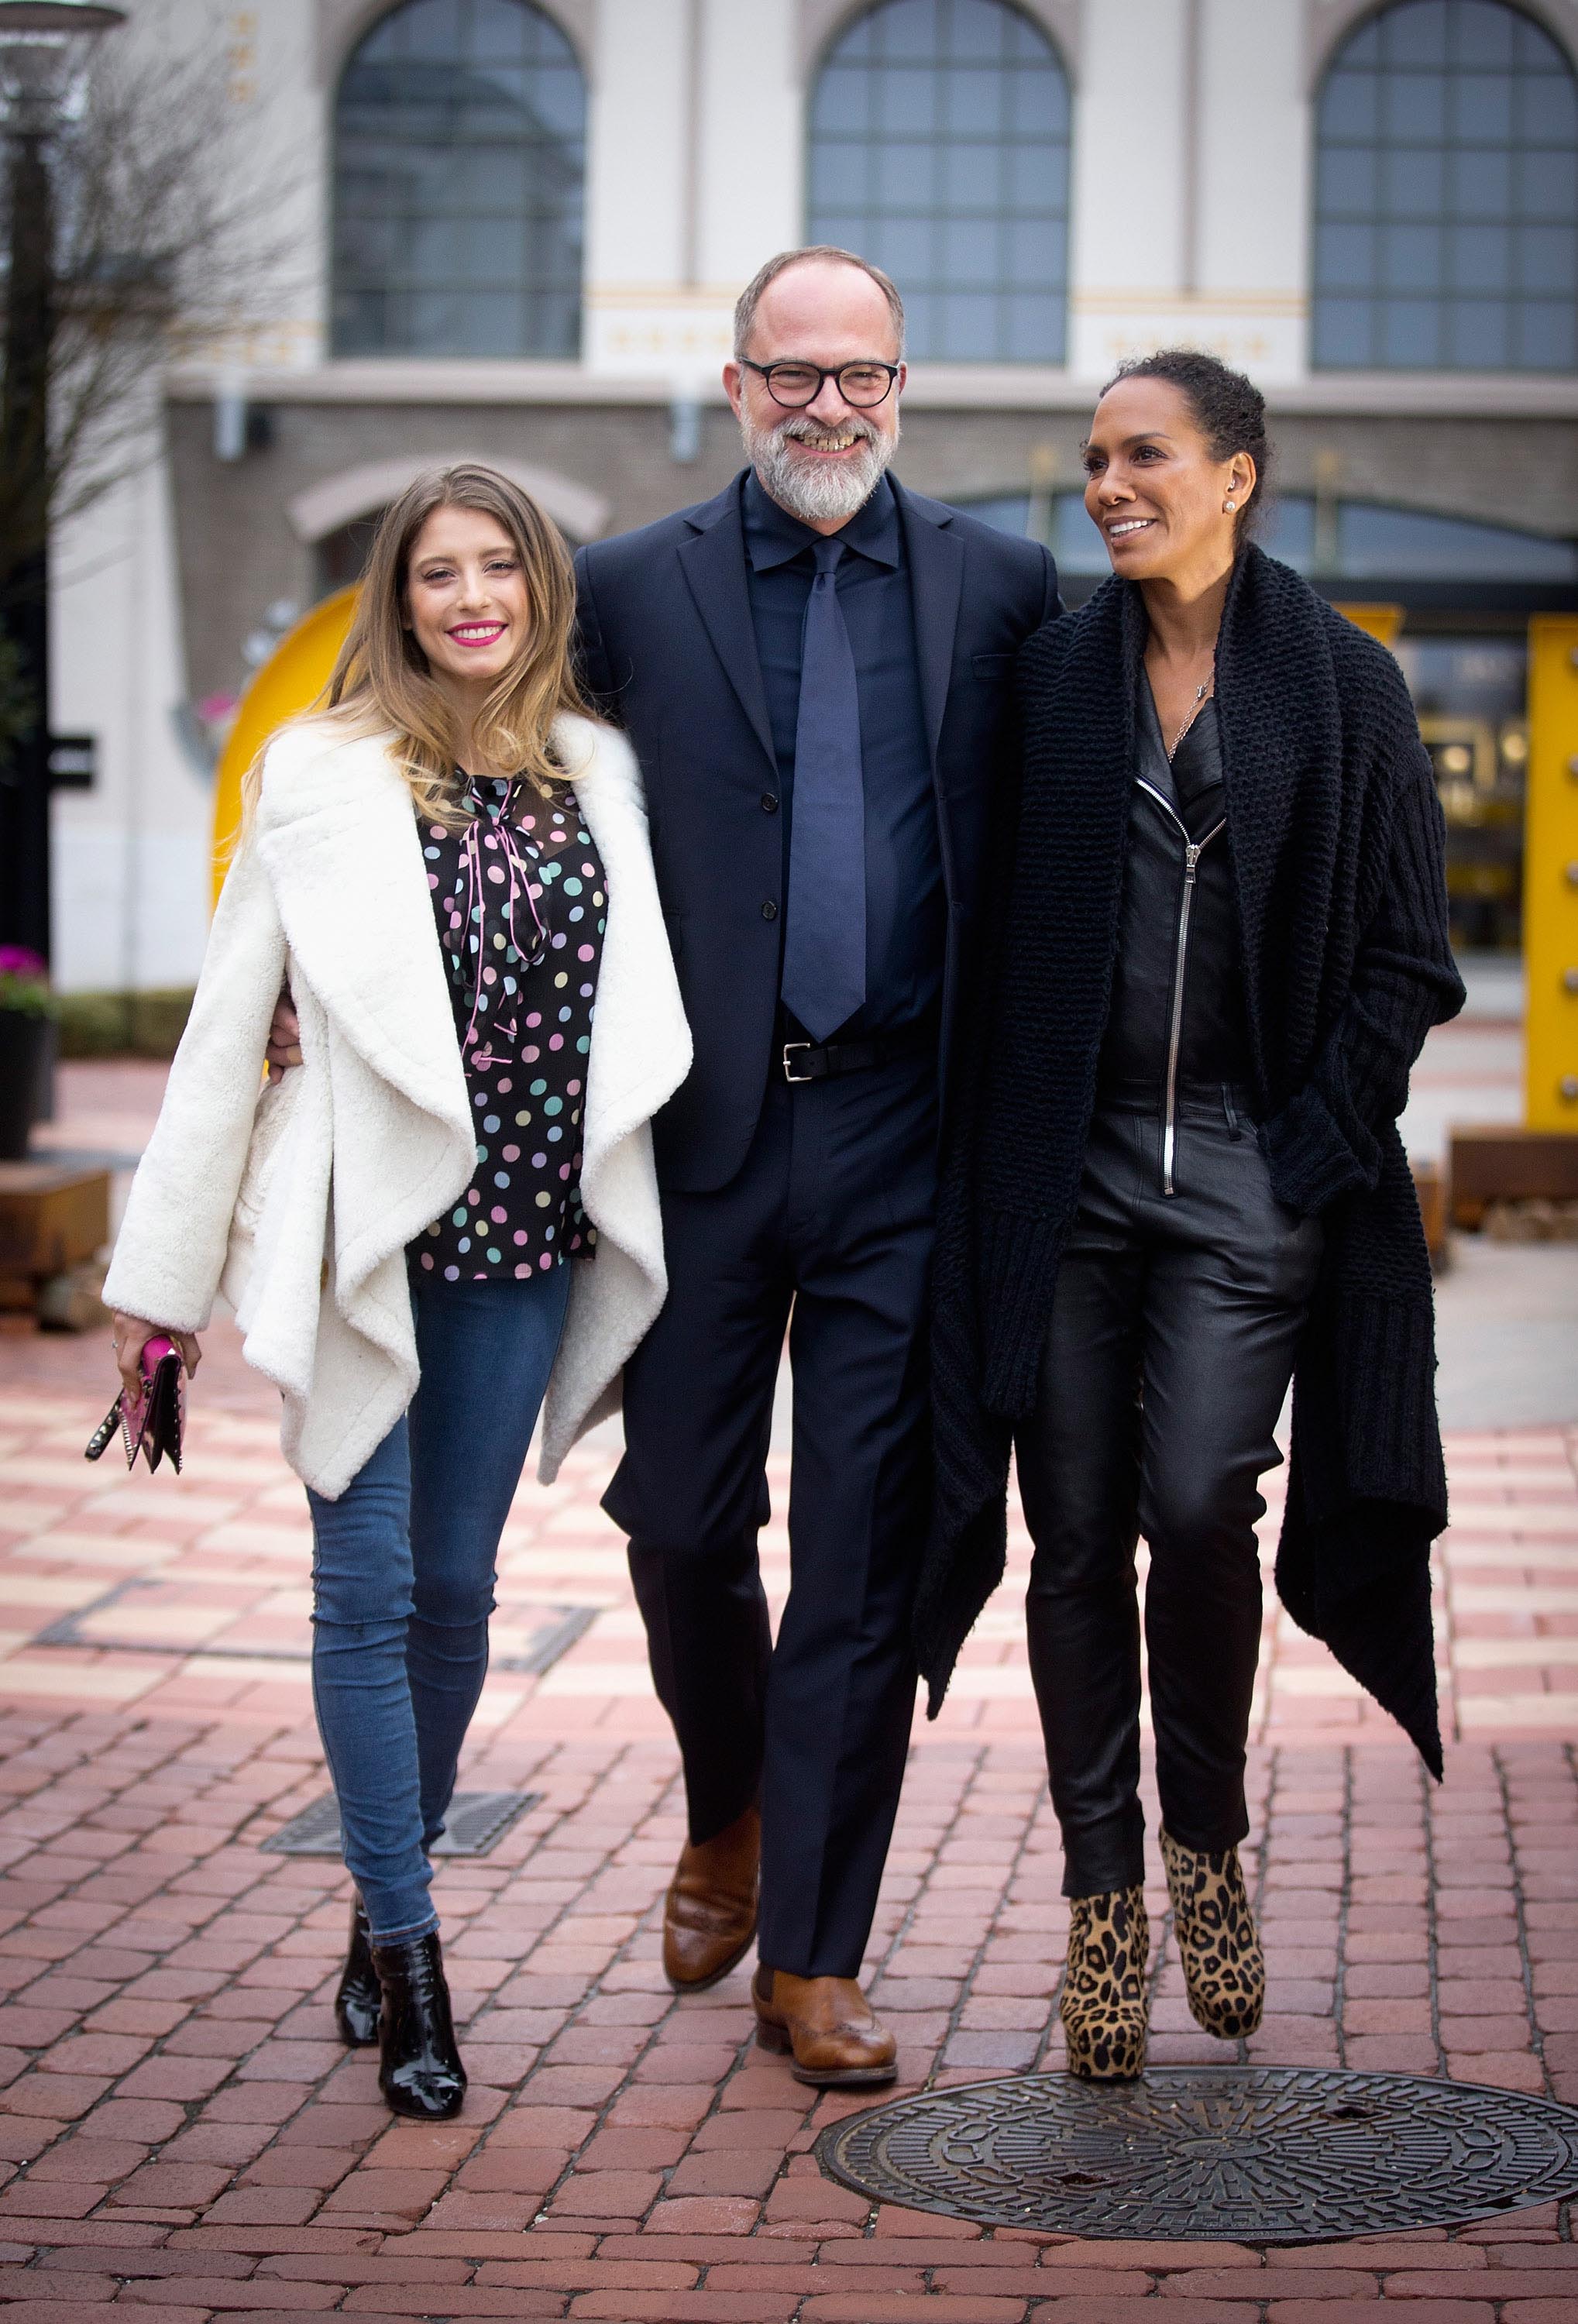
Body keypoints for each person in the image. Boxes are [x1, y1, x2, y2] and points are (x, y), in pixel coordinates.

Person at [102, 465, 689, 2119]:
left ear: (540, 590)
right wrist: (161, 1290)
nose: (471, 597)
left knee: (454, 1598)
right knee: (359, 1595)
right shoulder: (319, 775)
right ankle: (415, 1954)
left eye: (499, 567)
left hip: (520, 1242)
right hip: (363, 1241)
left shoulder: (600, 776)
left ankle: (377, 1904)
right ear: (400, 597)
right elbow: (233, 1023)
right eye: (438, 572)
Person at [918, 351, 1463, 2082]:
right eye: (1089, 459)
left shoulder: (1343, 685)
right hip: (1062, 1183)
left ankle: (1203, 1850)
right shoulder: (1048, 681)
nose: (1105, 484)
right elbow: (984, 931)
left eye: (1141, 453)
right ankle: (1101, 1903)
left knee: (1195, 1505)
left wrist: (1308, 1153)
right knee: (1068, 1533)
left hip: (1248, 1177)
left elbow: (1405, 961)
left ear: (1234, 473)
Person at [571, 246, 1061, 2085]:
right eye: (793, 374)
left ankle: (817, 1960)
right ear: (734, 386)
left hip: (898, 1142)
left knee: (863, 1552)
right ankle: (727, 1806)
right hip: (702, 1138)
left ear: (903, 385)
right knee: (683, 1525)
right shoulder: (627, 590)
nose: (827, 406)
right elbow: (502, 791)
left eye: (860, 375)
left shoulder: (1004, 591)